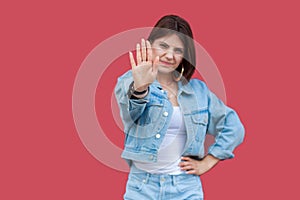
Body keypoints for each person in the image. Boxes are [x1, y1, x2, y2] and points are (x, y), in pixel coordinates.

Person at [114, 14, 245, 200]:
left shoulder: (199, 92)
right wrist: (141, 88)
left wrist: (209, 161)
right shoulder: (130, 80)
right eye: (164, 46)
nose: (169, 55)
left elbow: (234, 127)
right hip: (142, 187)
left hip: (185, 188)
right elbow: (130, 114)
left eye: (178, 50)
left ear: (185, 55)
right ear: (150, 45)